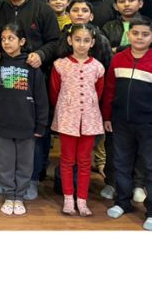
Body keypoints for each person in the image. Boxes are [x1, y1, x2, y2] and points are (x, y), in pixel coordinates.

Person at [0, 0, 60, 198]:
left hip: (32, 76)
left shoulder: (43, 10)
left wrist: (41, 55)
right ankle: (6, 180)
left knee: (33, 133)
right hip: (2, 78)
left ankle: (32, 178)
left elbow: (55, 41)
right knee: (4, 137)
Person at [102, 16, 152, 230]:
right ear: (129, 34)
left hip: (151, 127)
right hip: (121, 124)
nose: (139, 37)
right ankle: (122, 202)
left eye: (145, 34)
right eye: (135, 33)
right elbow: (109, 90)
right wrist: (107, 116)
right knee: (121, 165)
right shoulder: (118, 59)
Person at [100, 0, 152, 201]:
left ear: (140, 3)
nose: (126, 4)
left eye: (131, 0)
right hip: (118, 87)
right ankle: (112, 181)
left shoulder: (149, 24)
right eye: (121, 1)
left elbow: (151, 52)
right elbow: (105, 52)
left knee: (141, 145)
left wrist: (119, 50)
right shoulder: (108, 26)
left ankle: (139, 184)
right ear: (115, 5)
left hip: (144, 90)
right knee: (114, 142)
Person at [0, 23, 48, 216]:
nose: (6, 42)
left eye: (10, 38)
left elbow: (41, 98)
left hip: (26, 125)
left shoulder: (32, 67)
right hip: (3, 124)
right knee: (5, 162)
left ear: (22, 41)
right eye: (3, 39)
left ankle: (19, 195)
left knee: (25, 163)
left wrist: (40, 124)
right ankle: (9, 195)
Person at [50, 23, 105, 216]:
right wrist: (68, 107)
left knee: (84, 161)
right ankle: (68, 199)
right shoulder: (60, 65)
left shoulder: (98, 67)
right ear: (70, 40)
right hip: (67, 119)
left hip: (89, 119)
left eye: (86, 40)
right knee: (66, 161)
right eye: (78, 40)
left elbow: (99, 92)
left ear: (93, 42)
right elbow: (55, 92)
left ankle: (82, 200)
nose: (81, 44)